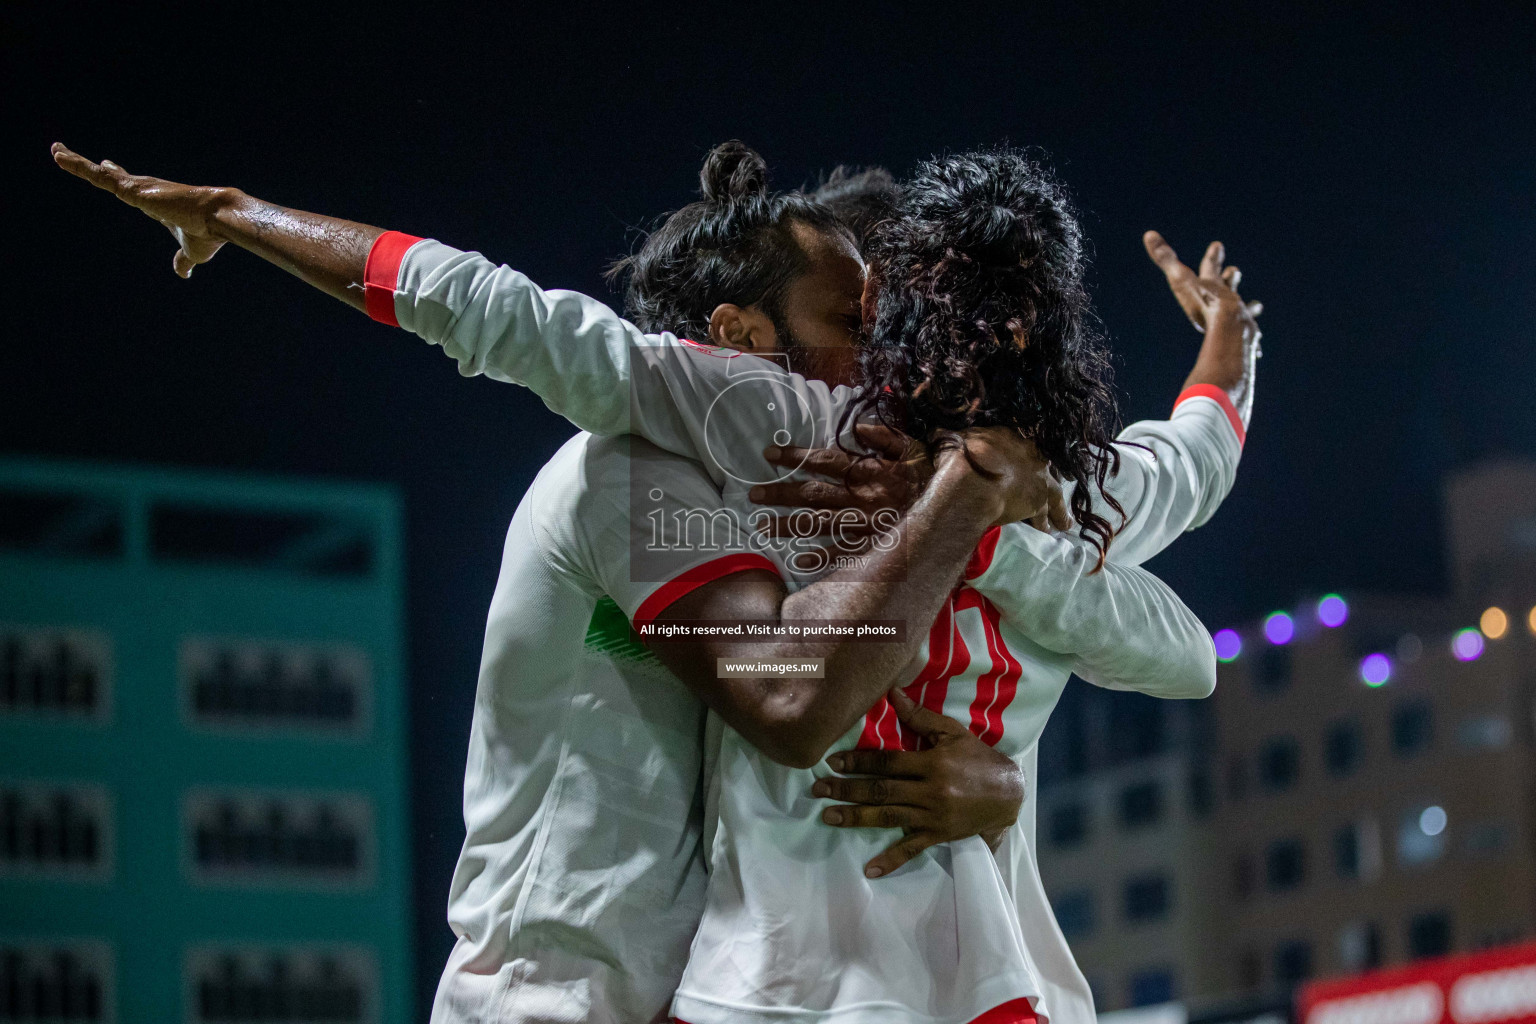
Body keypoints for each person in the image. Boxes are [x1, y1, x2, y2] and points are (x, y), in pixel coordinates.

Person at [51, 140, 1257, 1024]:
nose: (882, 345)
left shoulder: (897, 465)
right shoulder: (640, 472)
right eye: (856, 315)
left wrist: (1002, 771)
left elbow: (1183, 540)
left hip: (719, 984)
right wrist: (239, 210)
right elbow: (793, 703)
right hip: (555, 1001)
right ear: (731, 341)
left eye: (895, 310)